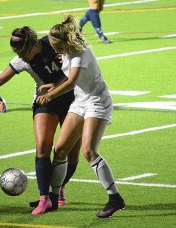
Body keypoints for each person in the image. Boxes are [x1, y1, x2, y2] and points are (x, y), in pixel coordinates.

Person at [0, 26, 81, 215]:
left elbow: (76, 66)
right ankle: (44, 199)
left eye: (22, 52)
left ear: (33, 44)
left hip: (74, 101)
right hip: (45, 101)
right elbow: (0, 79)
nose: (21, 57)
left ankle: (58, 188)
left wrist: (66, 50)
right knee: (42, 146)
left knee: (70, 154)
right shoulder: (21, 60)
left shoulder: (53, 44)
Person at [36, 15, 125, 218]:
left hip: (97, 102)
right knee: (59, 150)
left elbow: (72, 80)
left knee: (88, 151)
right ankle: (53, 198)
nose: (55, 51)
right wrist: (53, 84)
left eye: (57, 47)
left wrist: (49, 95)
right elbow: (67, 77)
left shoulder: (79, 53)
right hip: (80, 102)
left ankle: (115, 199)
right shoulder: (66, 51)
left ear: (66, 42)